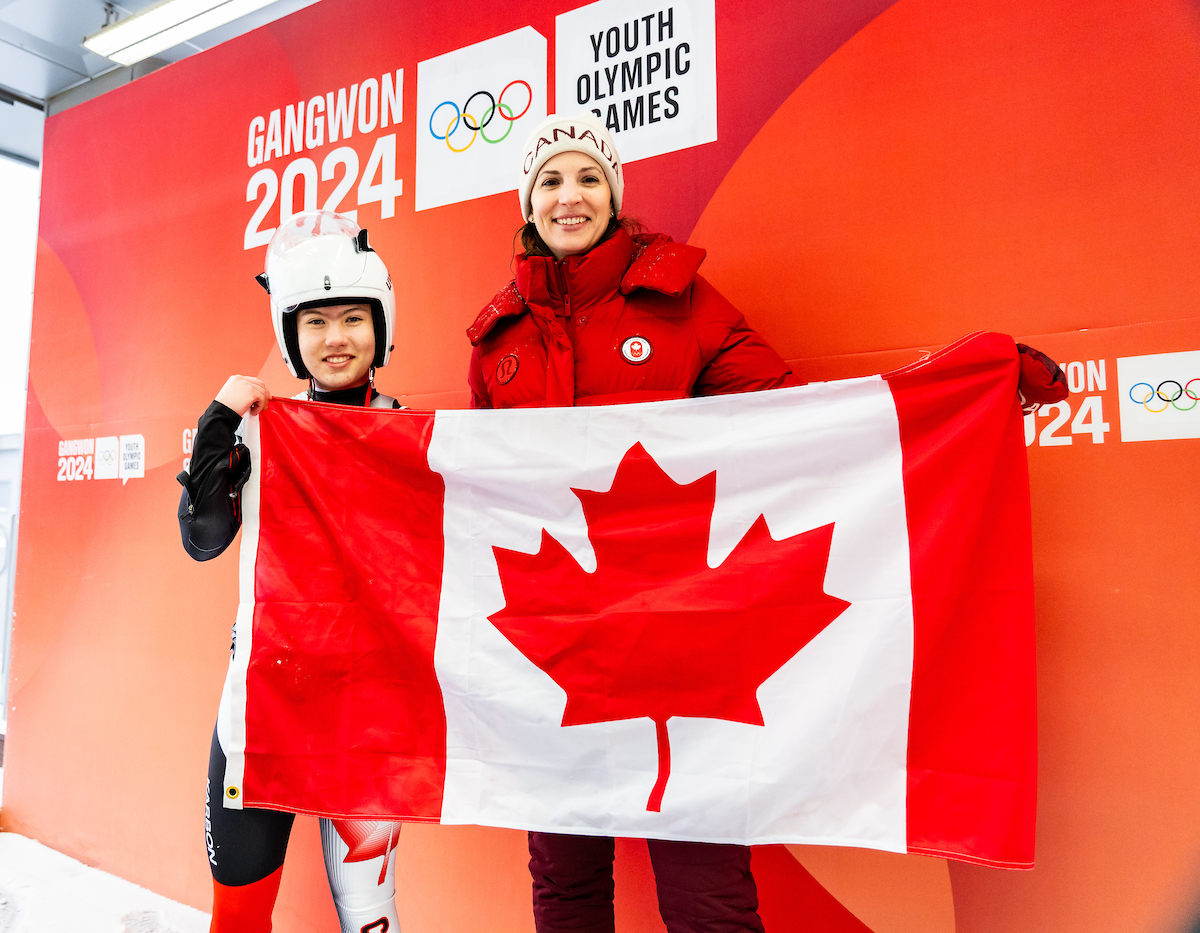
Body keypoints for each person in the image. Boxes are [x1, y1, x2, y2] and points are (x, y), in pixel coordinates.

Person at [468, 113, 1069, 933]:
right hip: (556, 645)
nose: (569, 197)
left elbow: (798, 423)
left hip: (681, 640)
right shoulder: (497, 336)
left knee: (707, 890)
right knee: (564, 884)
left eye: (587, 178)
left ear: (614, 193)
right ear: (525, 201)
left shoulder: (684, 302)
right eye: (550, 180)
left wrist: (963, 394)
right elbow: (476, 491)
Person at [178, 210, 404, 933]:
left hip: (365, 723)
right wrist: (218, 421)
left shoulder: (413, 436)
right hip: (261, 716)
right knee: (239, 922)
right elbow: (204, 538)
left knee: (374, 920)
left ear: (381, 329)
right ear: (292, 336)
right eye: (316, 323)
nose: (336, 339)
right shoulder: (258, 427)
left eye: (352, 320)